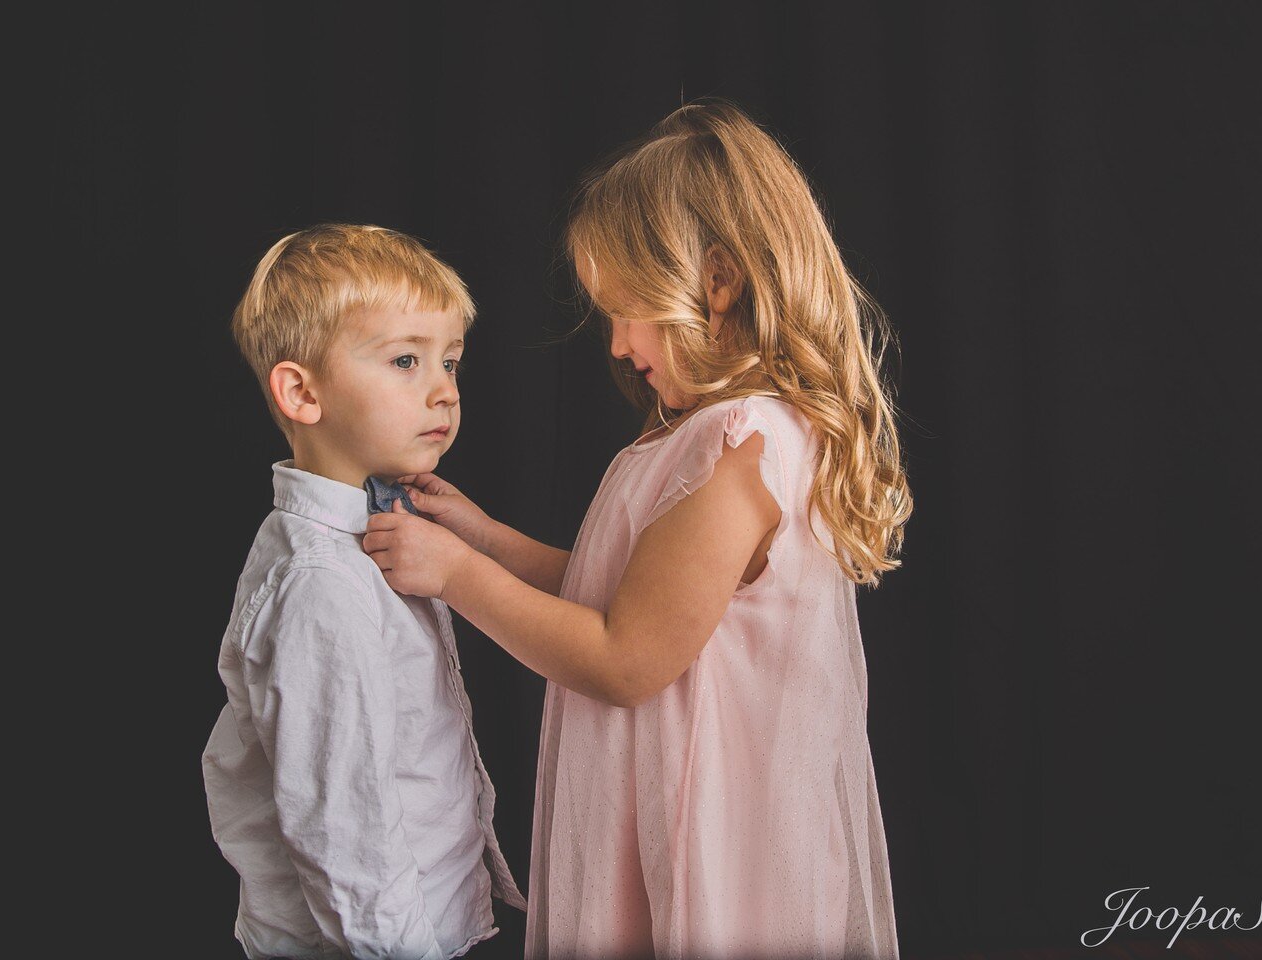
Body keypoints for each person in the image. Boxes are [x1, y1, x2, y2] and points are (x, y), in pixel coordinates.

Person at [365, 101, 913, 959]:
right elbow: (612, 588)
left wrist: (455, 576)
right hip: (654, 811)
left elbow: (625, 658)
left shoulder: (741, 449)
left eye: (626, 310)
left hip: (709, 844)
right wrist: (481, 536)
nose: (618, 345)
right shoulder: (701, 435)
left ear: (718, 282)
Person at [201, 224, 526, 960]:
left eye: (450, 363)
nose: (444, 390)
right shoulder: (320, 583)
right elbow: (341, 830)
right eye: (406, 360)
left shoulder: (383, 527)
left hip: (435, 919)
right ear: (302, 393)